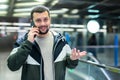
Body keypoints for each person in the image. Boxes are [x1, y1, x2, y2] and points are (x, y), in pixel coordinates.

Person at [7, 5, 86, 80]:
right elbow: (12, 66)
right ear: (32, 22)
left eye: (45, 19)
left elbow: (71, 66)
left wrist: (73, 59)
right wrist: (28, 43)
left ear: (50, 19)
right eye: (38, 20)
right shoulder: (23, 42)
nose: (43, 24)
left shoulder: (61, 41)